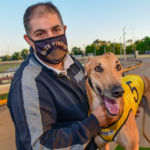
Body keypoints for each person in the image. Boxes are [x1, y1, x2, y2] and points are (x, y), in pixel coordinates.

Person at [7, 2, 109, 150]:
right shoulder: (28, 84)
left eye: (56, 30)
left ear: (64, 29)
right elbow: (40, 145)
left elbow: (89, 92)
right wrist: (93, 124)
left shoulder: (71, 61)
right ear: (28, 40)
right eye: (41, 33)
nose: (52, 39)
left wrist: (113, 105)